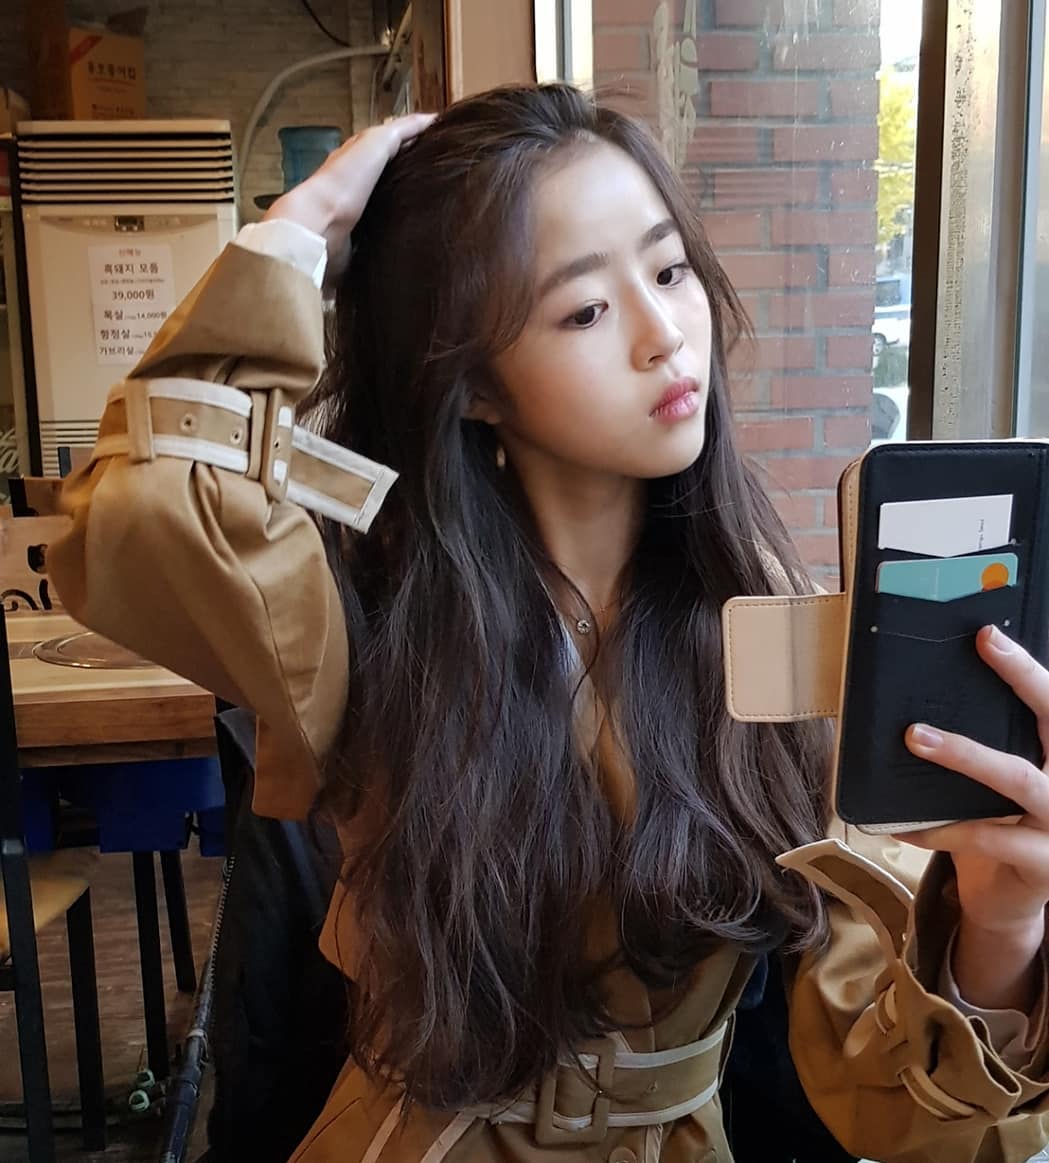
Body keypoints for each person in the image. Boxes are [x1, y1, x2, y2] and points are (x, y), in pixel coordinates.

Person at [49, 84, 1049, 1163]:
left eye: (668, 271)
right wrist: (304, 227)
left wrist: (1000, 918)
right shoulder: (373, 614)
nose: (664, 336)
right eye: (584, 311)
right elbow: (140, 511)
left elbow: (883, 1097)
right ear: (474, 381)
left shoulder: (766, 626)